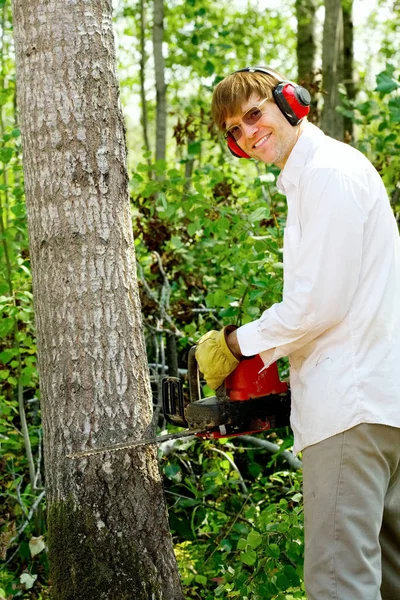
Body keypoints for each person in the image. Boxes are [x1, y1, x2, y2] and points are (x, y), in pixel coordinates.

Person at [195, 66, 400, 600]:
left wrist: (235, 344)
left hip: (350, 411)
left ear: (290, 102)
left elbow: (316, 305)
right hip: (382, 405)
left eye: (253, 114)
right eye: (234, 130)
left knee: (339, 585)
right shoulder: (329, 171)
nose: (247, 133)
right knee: (388, 579)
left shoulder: (326, 174)